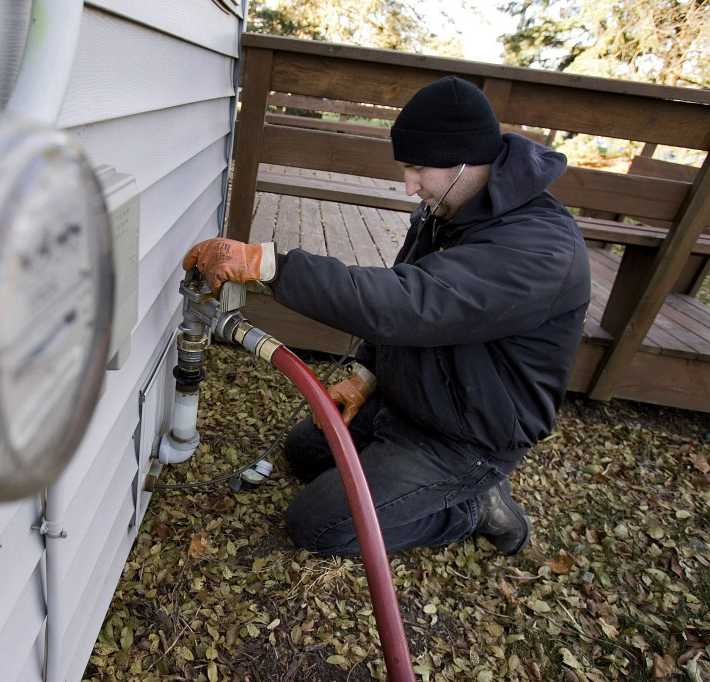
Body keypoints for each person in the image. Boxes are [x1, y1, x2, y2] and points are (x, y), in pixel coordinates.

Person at [182, 75, 590, 557]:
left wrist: (269, 266)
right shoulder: (449, 209)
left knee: (316, 525)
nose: (409, 185)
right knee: (304, 451)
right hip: (411, 402)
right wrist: (366, 373)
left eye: (418, 169)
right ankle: (395, 470)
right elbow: (407, 291)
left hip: (462, 437)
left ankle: (473, 506)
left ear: (463, 159)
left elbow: (408, 301)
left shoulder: (539, 247)